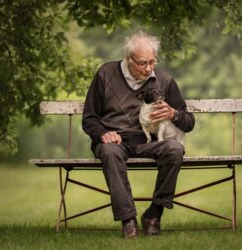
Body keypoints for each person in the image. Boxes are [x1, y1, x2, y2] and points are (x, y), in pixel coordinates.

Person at [82, 31, 195, 238]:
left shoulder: (164, 80)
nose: (149, 68)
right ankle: (128, 220)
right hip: (114, 142)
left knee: (175, 149)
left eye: (153, 62)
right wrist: (103, 134)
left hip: (148, 141)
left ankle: (154, 214)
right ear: (128, 59)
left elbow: (189, 123)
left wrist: (174, 113)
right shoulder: (105, 74)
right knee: (109, 152)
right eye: (142, 63)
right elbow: (89, 119)